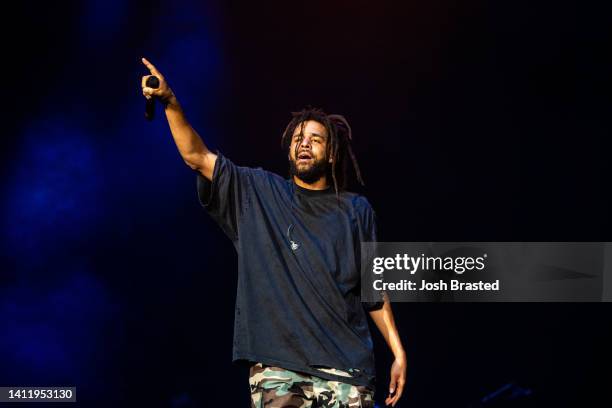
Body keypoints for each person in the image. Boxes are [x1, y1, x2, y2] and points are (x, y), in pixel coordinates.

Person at [141, 57, 407, 407]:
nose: (304, 144)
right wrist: (171, 103)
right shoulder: (257, 191)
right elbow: (197, 156)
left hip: (349, 372)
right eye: (298, 138)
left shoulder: (356, 210)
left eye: (315, 139)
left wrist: (398, 351)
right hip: (280, 369)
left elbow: (374, 291)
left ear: (331, 154)